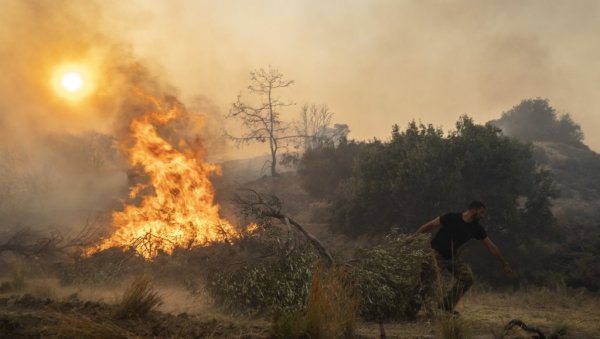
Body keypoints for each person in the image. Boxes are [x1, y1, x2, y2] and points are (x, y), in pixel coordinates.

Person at [414, 200, 513, 312]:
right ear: (473, 209)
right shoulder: (451, 217)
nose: (482, 216)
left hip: (452, 256)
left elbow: (491, 246)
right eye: (481, 212)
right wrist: (413, 237)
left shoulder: (476, 228)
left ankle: (446, 306)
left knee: (467, 278)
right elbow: (430, 225)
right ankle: (409, 311)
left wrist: (504, 264)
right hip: (435, 253)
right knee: (425, 283)